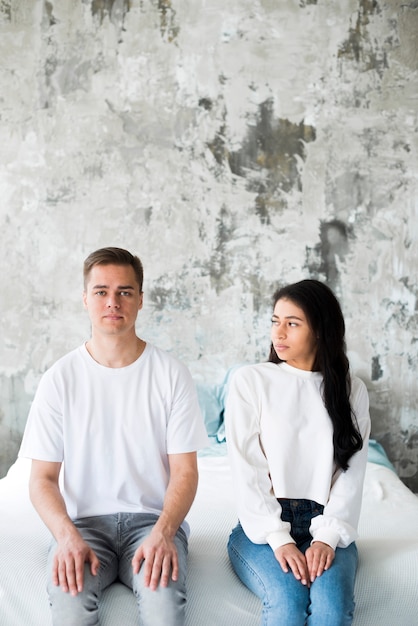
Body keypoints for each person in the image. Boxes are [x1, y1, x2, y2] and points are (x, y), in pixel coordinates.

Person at [19, 246, 208, 626]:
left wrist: (165, 532)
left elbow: (185, 472)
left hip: (153, 524)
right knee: (69, 607)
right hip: (83, 526)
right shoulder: (60, 378)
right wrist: (65, 537)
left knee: (164, 609)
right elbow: (41, 479)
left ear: (140, 300)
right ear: (86, 299)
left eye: (124, 292)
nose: (113, 302)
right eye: (102, 291)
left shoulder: (171, 374)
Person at [225, 279, 371, 626]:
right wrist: (279, 540)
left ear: (321, 330)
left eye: (292, 323)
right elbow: (248, 471)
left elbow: (352, 473)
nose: (280, 333)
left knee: (331, 610)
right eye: (276, 321)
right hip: (264, 527)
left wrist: (328, 538)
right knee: (288, 603)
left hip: (328, 522)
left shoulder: (351, 390)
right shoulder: (251, 381)